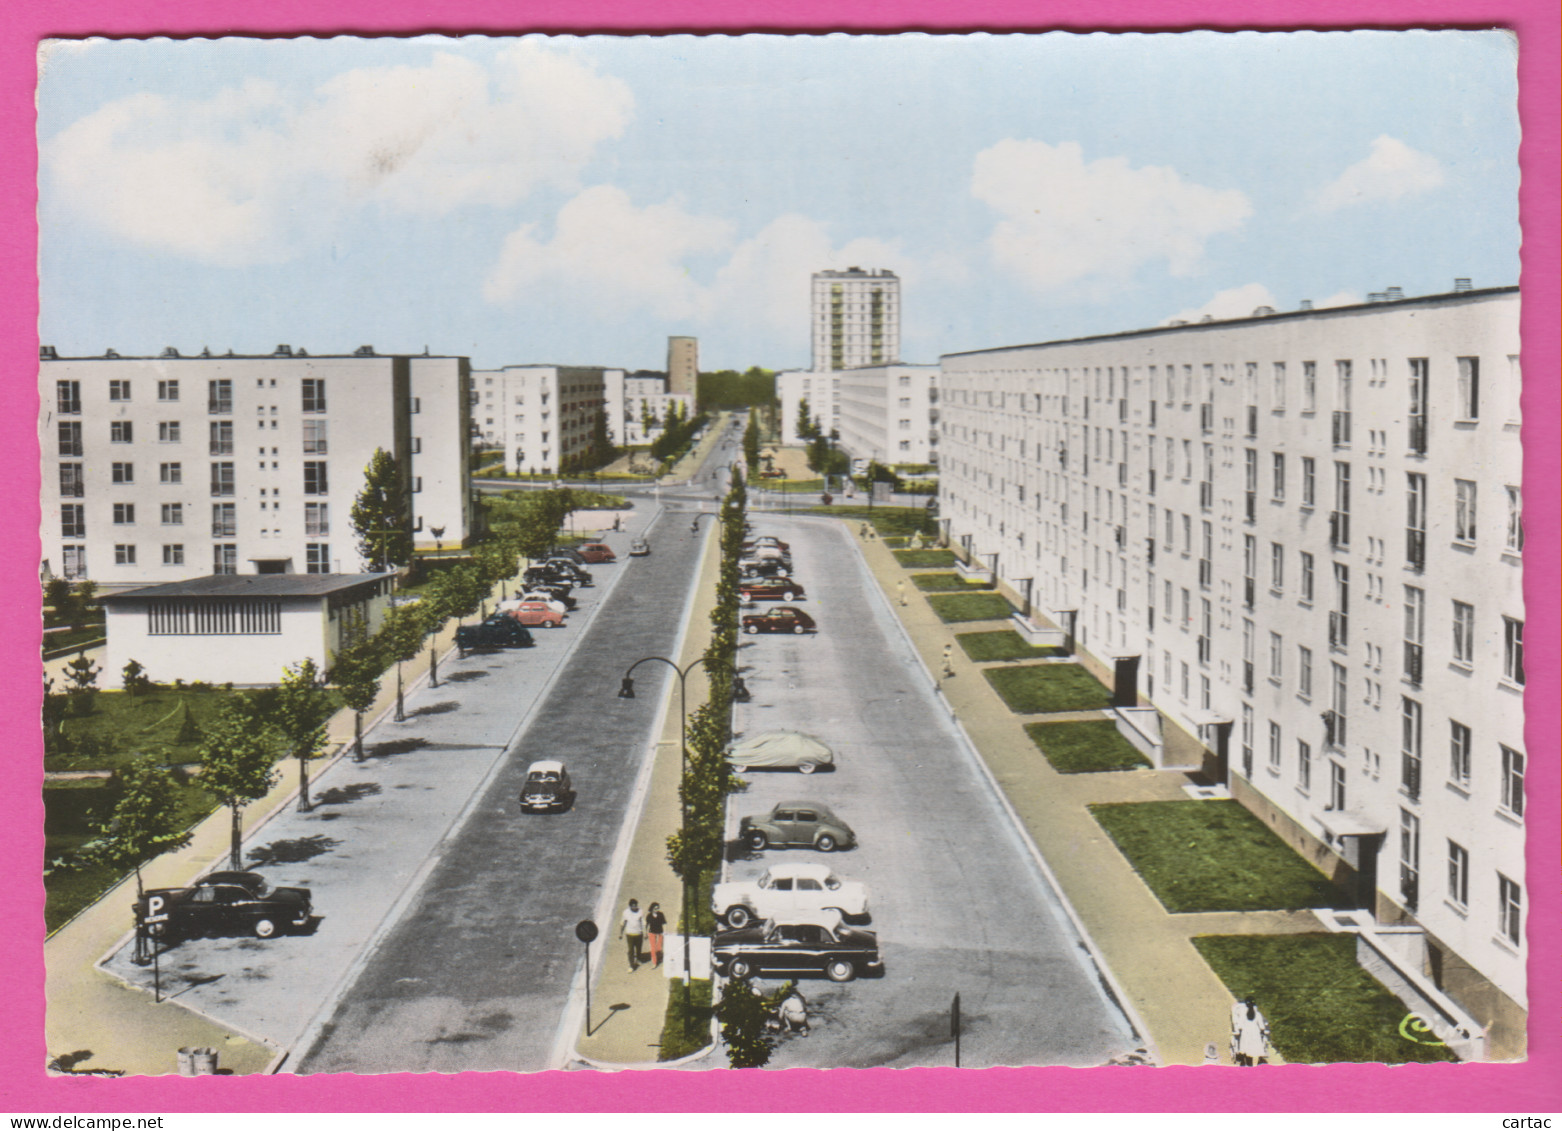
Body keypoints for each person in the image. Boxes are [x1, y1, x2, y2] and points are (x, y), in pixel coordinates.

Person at [1230, 997, 1270, 1065]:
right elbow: (1261, 1025)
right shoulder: (1257, 1014)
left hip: (1246, 1033)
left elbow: (1240, 1025)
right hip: (1255, 1034)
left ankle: (1248, 1063)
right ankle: (1255, 1063)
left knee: (1246, 1050)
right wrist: (1262, 1032)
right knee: (1253, 1050)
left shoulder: (1243, 1014)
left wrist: (1239, 1031)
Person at [620, 898, 646, 971]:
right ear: (630, 906)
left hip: (638, 934)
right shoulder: (625, 912)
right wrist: (621, 933)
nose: (635, 908)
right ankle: (631, 965)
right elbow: (622, 923)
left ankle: (638, 959)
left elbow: (643, 922)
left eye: (636, 906)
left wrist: (645, 933)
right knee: (631, 950)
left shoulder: (640, 911)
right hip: (630, 934)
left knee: (638, 949)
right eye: (633, 906)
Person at [645, 902, 667, 968]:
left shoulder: (661, 914)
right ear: (652, 909)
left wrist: (665, 932)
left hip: (660, 933)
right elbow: (647, 925)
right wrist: (646, 933)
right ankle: (654, 962)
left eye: (657, 908)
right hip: (652, 933)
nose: (656, 910)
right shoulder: (649, 916)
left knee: (659, 948)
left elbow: (664, 923)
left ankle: (659, 957)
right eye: (655, 908)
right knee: (653, 948)